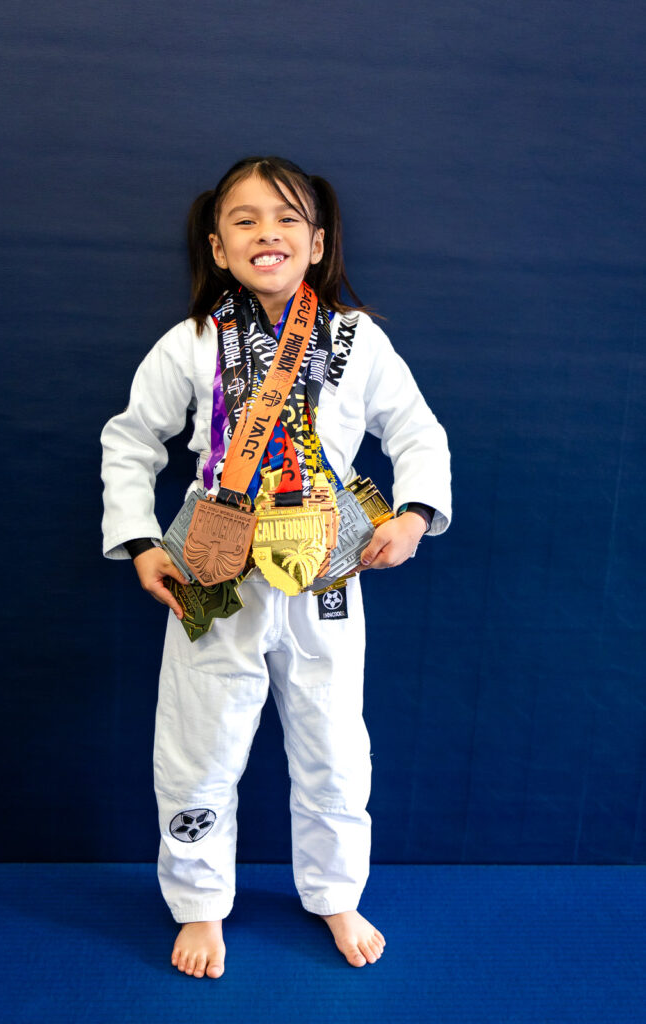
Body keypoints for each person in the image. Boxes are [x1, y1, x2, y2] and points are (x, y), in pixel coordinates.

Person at [100, 155, 451, 979]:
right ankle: (198, 903)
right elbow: (130, 440)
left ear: (318, 243)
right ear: (217, 247)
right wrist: (141, 539)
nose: (268, 233)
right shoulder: (190, 341)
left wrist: (413, 512)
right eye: (246, 219)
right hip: (212, 566)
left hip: (326, 561)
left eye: (287, 218)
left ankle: (333, 892)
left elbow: (417, 434)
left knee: (334, 741)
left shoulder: (358, 338)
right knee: (199, 743)